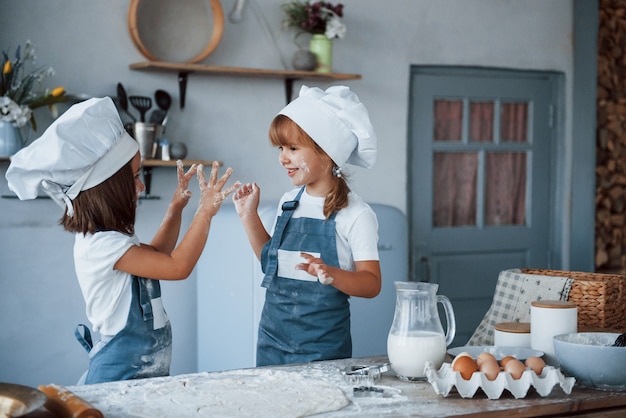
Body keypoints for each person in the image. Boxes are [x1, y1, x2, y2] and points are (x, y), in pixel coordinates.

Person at [5, 97, 238, 384]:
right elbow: (178, 267)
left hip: (140, 377)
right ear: (108, 188)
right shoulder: (101, 246)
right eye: (135, 177)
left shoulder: (113, 238)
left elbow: (158, 254)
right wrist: (205, 213)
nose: (141, 185)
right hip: (118, 377)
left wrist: (175, 208)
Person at [232, 85, 381, 366]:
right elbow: (270, 264)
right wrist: (248, 215)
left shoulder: (356, 215)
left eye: (292, 148)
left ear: (326, 153)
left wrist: (331, 274)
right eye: (281, 148)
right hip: (272, 340)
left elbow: (371, 284)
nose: (282, 157)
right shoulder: (289, 202)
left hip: (322, 349)